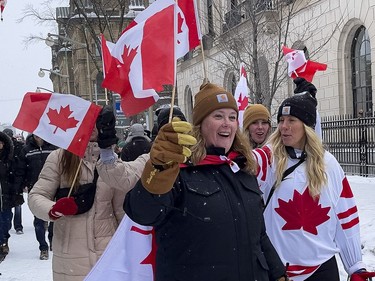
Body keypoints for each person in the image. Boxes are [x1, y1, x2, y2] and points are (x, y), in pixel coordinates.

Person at [122, 83, 287, 281]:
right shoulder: (176, 170)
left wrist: (278, 274)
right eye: (218, 116)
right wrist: (159, 168)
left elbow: (258, 235)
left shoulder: (242, 169)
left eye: (232, 117)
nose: (227, 123)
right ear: (200, 124)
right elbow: (143, 212)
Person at [253, 78, 369, 281]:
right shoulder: (270, 157)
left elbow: (345, 216)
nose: (283, 127)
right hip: (280, 272)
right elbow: (248, 161)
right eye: (281, 120)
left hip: (322, 270)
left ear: (306, 126)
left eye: (291, 121)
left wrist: (355, 265)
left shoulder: (328, 164)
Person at [28, 126, 148, 281]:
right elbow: (37, 195)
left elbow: (120, 209)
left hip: (107, 253)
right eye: (87, 121)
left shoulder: (112, 161)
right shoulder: (58, 158)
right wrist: (53, 209)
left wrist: (129, 243)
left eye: (97, 122)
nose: (91, 127)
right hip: (70, 255)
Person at [14, 134, 57, 260]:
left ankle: (52, 239)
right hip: (36, 188)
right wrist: (21, 186)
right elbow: (20, 170)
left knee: (55, 216)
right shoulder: (26, 150)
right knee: (39, 219)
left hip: (55, 188)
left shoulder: (54, 148)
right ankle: (43, 247)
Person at [3, 128, 25, 235]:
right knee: (7, 207)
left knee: (17, 205)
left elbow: (21, 164)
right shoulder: (5, 149)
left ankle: (18, 226)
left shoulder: (19, 147)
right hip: (6, 181)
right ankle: (8, 225)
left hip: (16, 180)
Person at [0, 131, 16, 262]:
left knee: (6, 220)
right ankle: (1, 244)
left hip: (6, 194)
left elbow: (14, 174)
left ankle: (4, 239)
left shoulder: (9, 158)